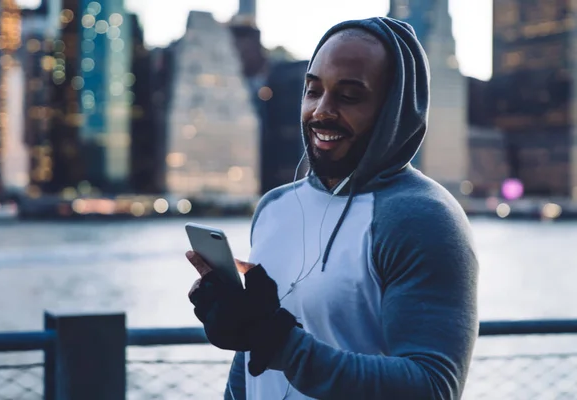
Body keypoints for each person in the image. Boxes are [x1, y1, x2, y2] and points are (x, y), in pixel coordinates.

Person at [187, 16, 479, 400]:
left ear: (393, 107)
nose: (322, 111)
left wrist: (280, 343)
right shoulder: (275, 206)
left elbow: (432, 387)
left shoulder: (423, 218)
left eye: (349, 96)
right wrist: (244, 324)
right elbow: (250, 365)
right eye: (313, 91)